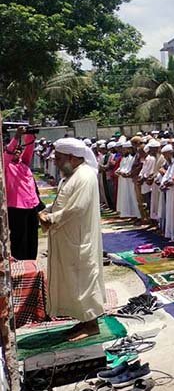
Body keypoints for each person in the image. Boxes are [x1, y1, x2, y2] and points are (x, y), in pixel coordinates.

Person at [39, 138, 105, 342]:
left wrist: (51, 218)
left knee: (83, 280)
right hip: (67, 237)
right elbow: (63, 202)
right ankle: (83, 319)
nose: (56, 162)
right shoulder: (70, 176)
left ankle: (92, 324)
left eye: (58, 159)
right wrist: (47, 211)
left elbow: (77, 208)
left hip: (79, 237)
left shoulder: (85, 176)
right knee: (73, 281)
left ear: (71, 157)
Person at [4, 127, 42, 260]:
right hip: (16, 206)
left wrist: (30, 135)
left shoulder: (23, 164)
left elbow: (29, 150)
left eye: (19, 150)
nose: (18, 152)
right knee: (19, 237)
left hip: (32, 205)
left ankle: (31, 260)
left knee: (32, 235)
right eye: (16, 150)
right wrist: (16, 136)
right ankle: (20, 260)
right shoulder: (5, 165)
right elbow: (7, 152)